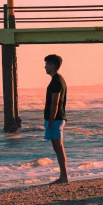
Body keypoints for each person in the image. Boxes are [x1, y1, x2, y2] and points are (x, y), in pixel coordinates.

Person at [44, 54, 68, 184]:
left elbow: (55, 103)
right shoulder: (59, 80)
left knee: (58, 148)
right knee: (58, 148)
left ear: (52, 66)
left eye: (47, 64)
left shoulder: (56, 81)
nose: (45, 67)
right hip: (57, 118)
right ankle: (63, 176)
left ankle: (63, 177)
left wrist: (51, 121)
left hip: (56, 119)